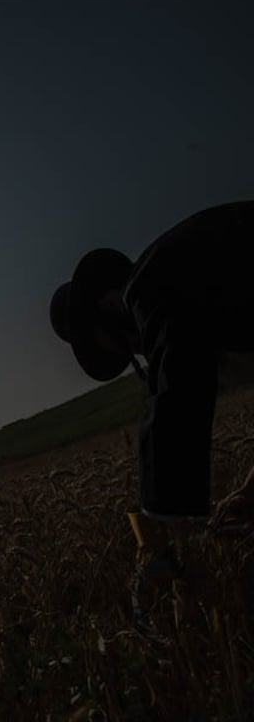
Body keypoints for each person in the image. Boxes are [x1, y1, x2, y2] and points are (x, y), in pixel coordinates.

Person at [49, 201, 254, 573]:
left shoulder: (150, 286)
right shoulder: (196, 285)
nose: (137, 351)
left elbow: (177, 382)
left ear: (108, 304)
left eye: (103, 343)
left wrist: (162, 523)